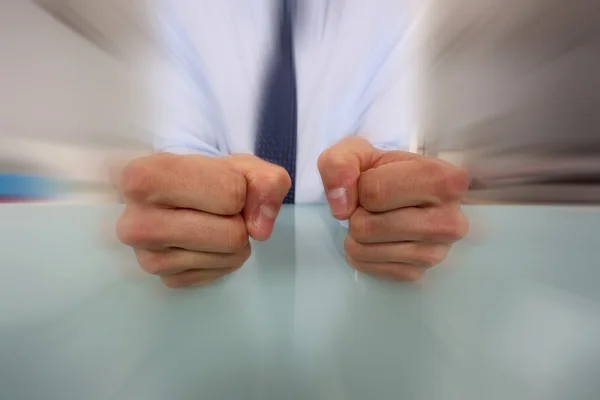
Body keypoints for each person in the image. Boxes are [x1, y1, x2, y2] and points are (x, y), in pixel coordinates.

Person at [116, 0, 470, 288]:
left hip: (339, 273)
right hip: (222, 273)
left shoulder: (387, 13)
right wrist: (181, 202)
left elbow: (386, 156)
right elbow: (182, 153)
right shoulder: (182, 10)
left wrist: (392, 202)